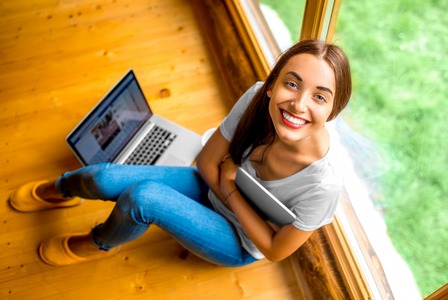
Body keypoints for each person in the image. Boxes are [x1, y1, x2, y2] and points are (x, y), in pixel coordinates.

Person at [9, 39, 352, 266]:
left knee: (144, 198)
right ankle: (65, 188)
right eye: (291, 83)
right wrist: (223, 184)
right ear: (273, 85)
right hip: (210, 184)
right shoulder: (256, 98)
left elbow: (276, 250)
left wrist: (231, 191)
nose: (299, 104)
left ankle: (100, 242)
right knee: (103, 176)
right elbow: (205, 162)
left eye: (320, 96)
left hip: (240, 240)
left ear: (334, 110)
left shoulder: (324, 185)